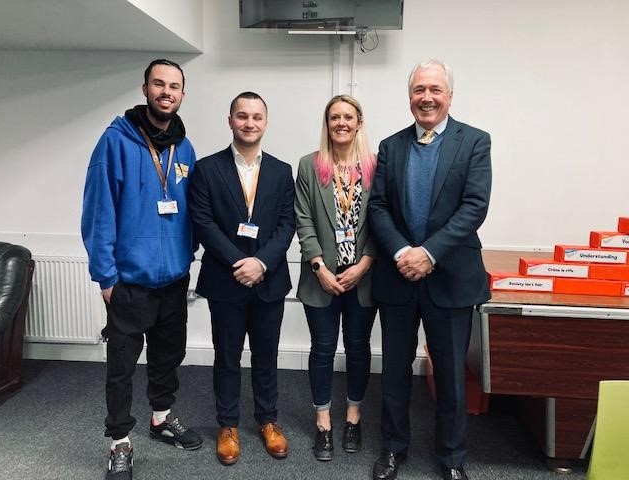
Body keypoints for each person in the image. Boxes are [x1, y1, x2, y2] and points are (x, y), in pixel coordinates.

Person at [368, 59, 492, 480]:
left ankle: (453, 458)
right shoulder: (391, 146)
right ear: (410, 97)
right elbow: (379, 206)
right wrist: (405, 252)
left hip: (451, 278)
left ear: (449, 96)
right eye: (419, 89)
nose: (427, 97)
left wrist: (430, 254)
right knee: (395, 371)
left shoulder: (474, 141)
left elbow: (474, 206)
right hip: (399, 276)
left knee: (452, 375)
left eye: (435, 89)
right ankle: (392, 450)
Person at [81, 59, 202, 480]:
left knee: (168, 356)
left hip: (173, 279)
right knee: (121, 367)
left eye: (175, 86)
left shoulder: (184, 147)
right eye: (159, 84)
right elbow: (98, 214)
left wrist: (190, 256)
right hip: (129, 282)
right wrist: (106, 277)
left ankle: (161, 418)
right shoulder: (114, 142)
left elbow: (191, 210)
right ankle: (119, 442)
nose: (167, 92)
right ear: (145, 88)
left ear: (182, 94)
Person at [188, 91, 295, 466]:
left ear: (266, 122)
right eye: (242, 116)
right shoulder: (207, 168)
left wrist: (261, 263)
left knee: (266, 355)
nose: (250, 123)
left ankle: (268, 421)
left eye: (257, 117)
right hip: (225, 279)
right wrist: (240, 262)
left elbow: (287, 224)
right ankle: (228, 425)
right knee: (227, 356)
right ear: (230, 120)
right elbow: (203, 222)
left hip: (269, 279)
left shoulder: (282, 171)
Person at [294, 95, 377, 461]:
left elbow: (381, 220)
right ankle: (324, 421)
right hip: (321, 279)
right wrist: (320, 267)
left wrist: (365, 264)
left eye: (347, 117)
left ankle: (354, 417)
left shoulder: (376, 166)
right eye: (333, 117)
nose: (340, 123)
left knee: (358, 350)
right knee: (323, 350)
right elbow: (303, 219)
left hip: (364, 279)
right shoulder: (309, 166)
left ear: (359, 122)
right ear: (327, 124)